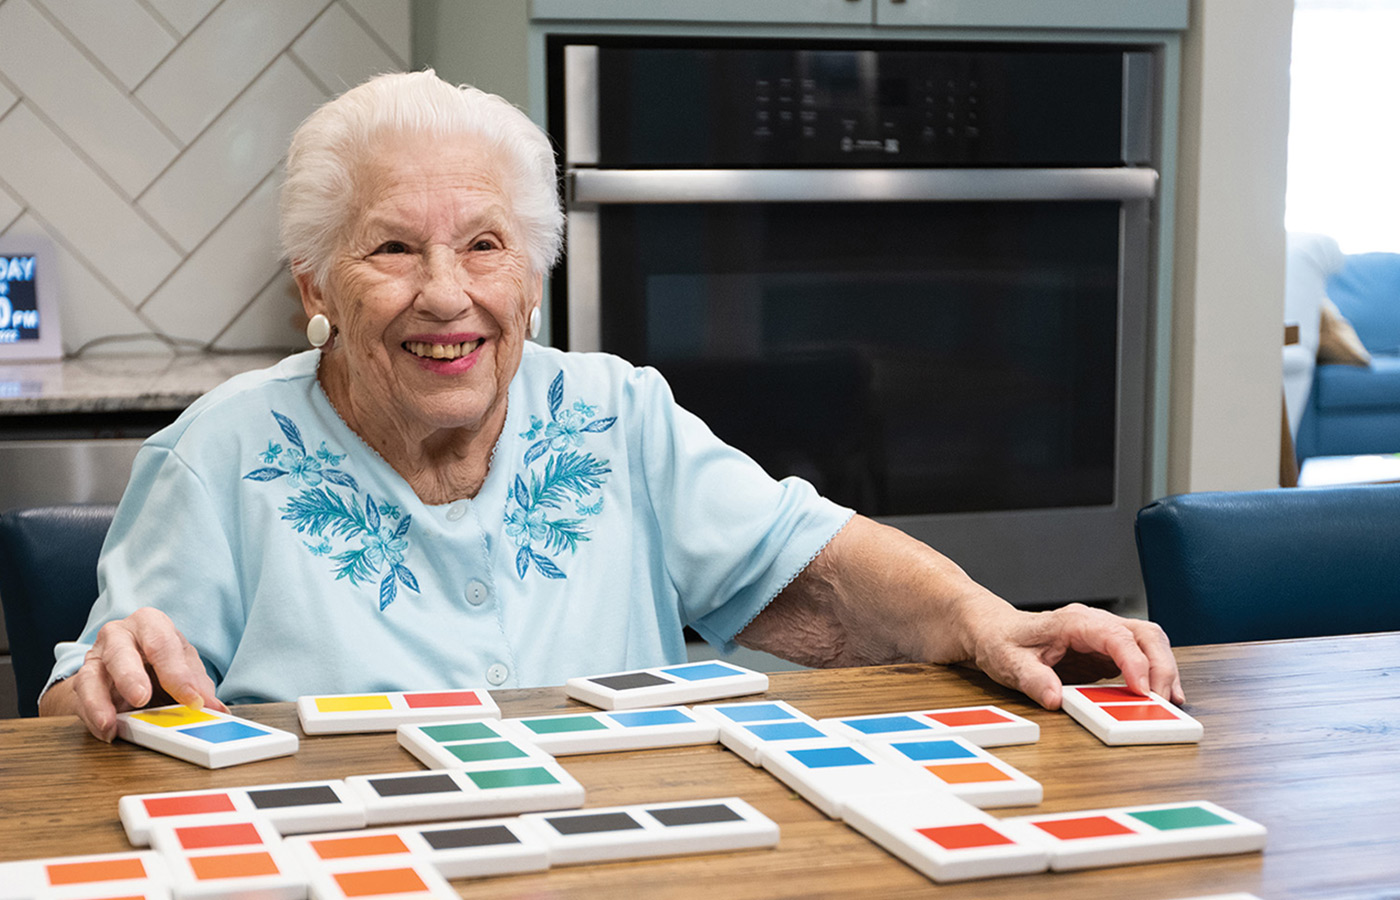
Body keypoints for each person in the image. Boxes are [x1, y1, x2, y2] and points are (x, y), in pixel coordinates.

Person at [39, 71, 1181, 741]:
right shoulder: (218, 457)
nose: (449, 294)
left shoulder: (613, 412)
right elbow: (82, 710)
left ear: (529, 273)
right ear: (315, 285)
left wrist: (986, 618)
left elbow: (816, 569)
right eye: (391, 247)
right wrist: (108, 677)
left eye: (485, 244)